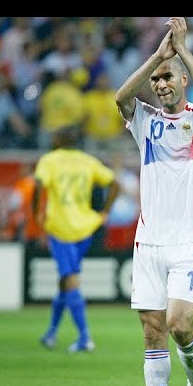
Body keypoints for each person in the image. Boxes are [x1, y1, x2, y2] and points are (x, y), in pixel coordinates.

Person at [115, 17, 193, 386]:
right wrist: (157, 56)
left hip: (192, 241)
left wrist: (182, 50)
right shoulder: (145, 120)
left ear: (183, 80)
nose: (160, 84)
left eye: (167, 78)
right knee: (151, 329)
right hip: (149, 243)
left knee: (180, 324)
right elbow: (121, 97)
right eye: (157, 80)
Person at [34, 124, 120, 353]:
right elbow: (115, 184)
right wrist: (104, 213)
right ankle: (51, 333)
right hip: (85, 227)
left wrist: (37, 213)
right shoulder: (88, 161)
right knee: (65, 281)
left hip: (61, 228)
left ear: (59, 141)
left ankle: (84, 337)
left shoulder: (50, 160)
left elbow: (38, 185)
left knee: (70, 279)